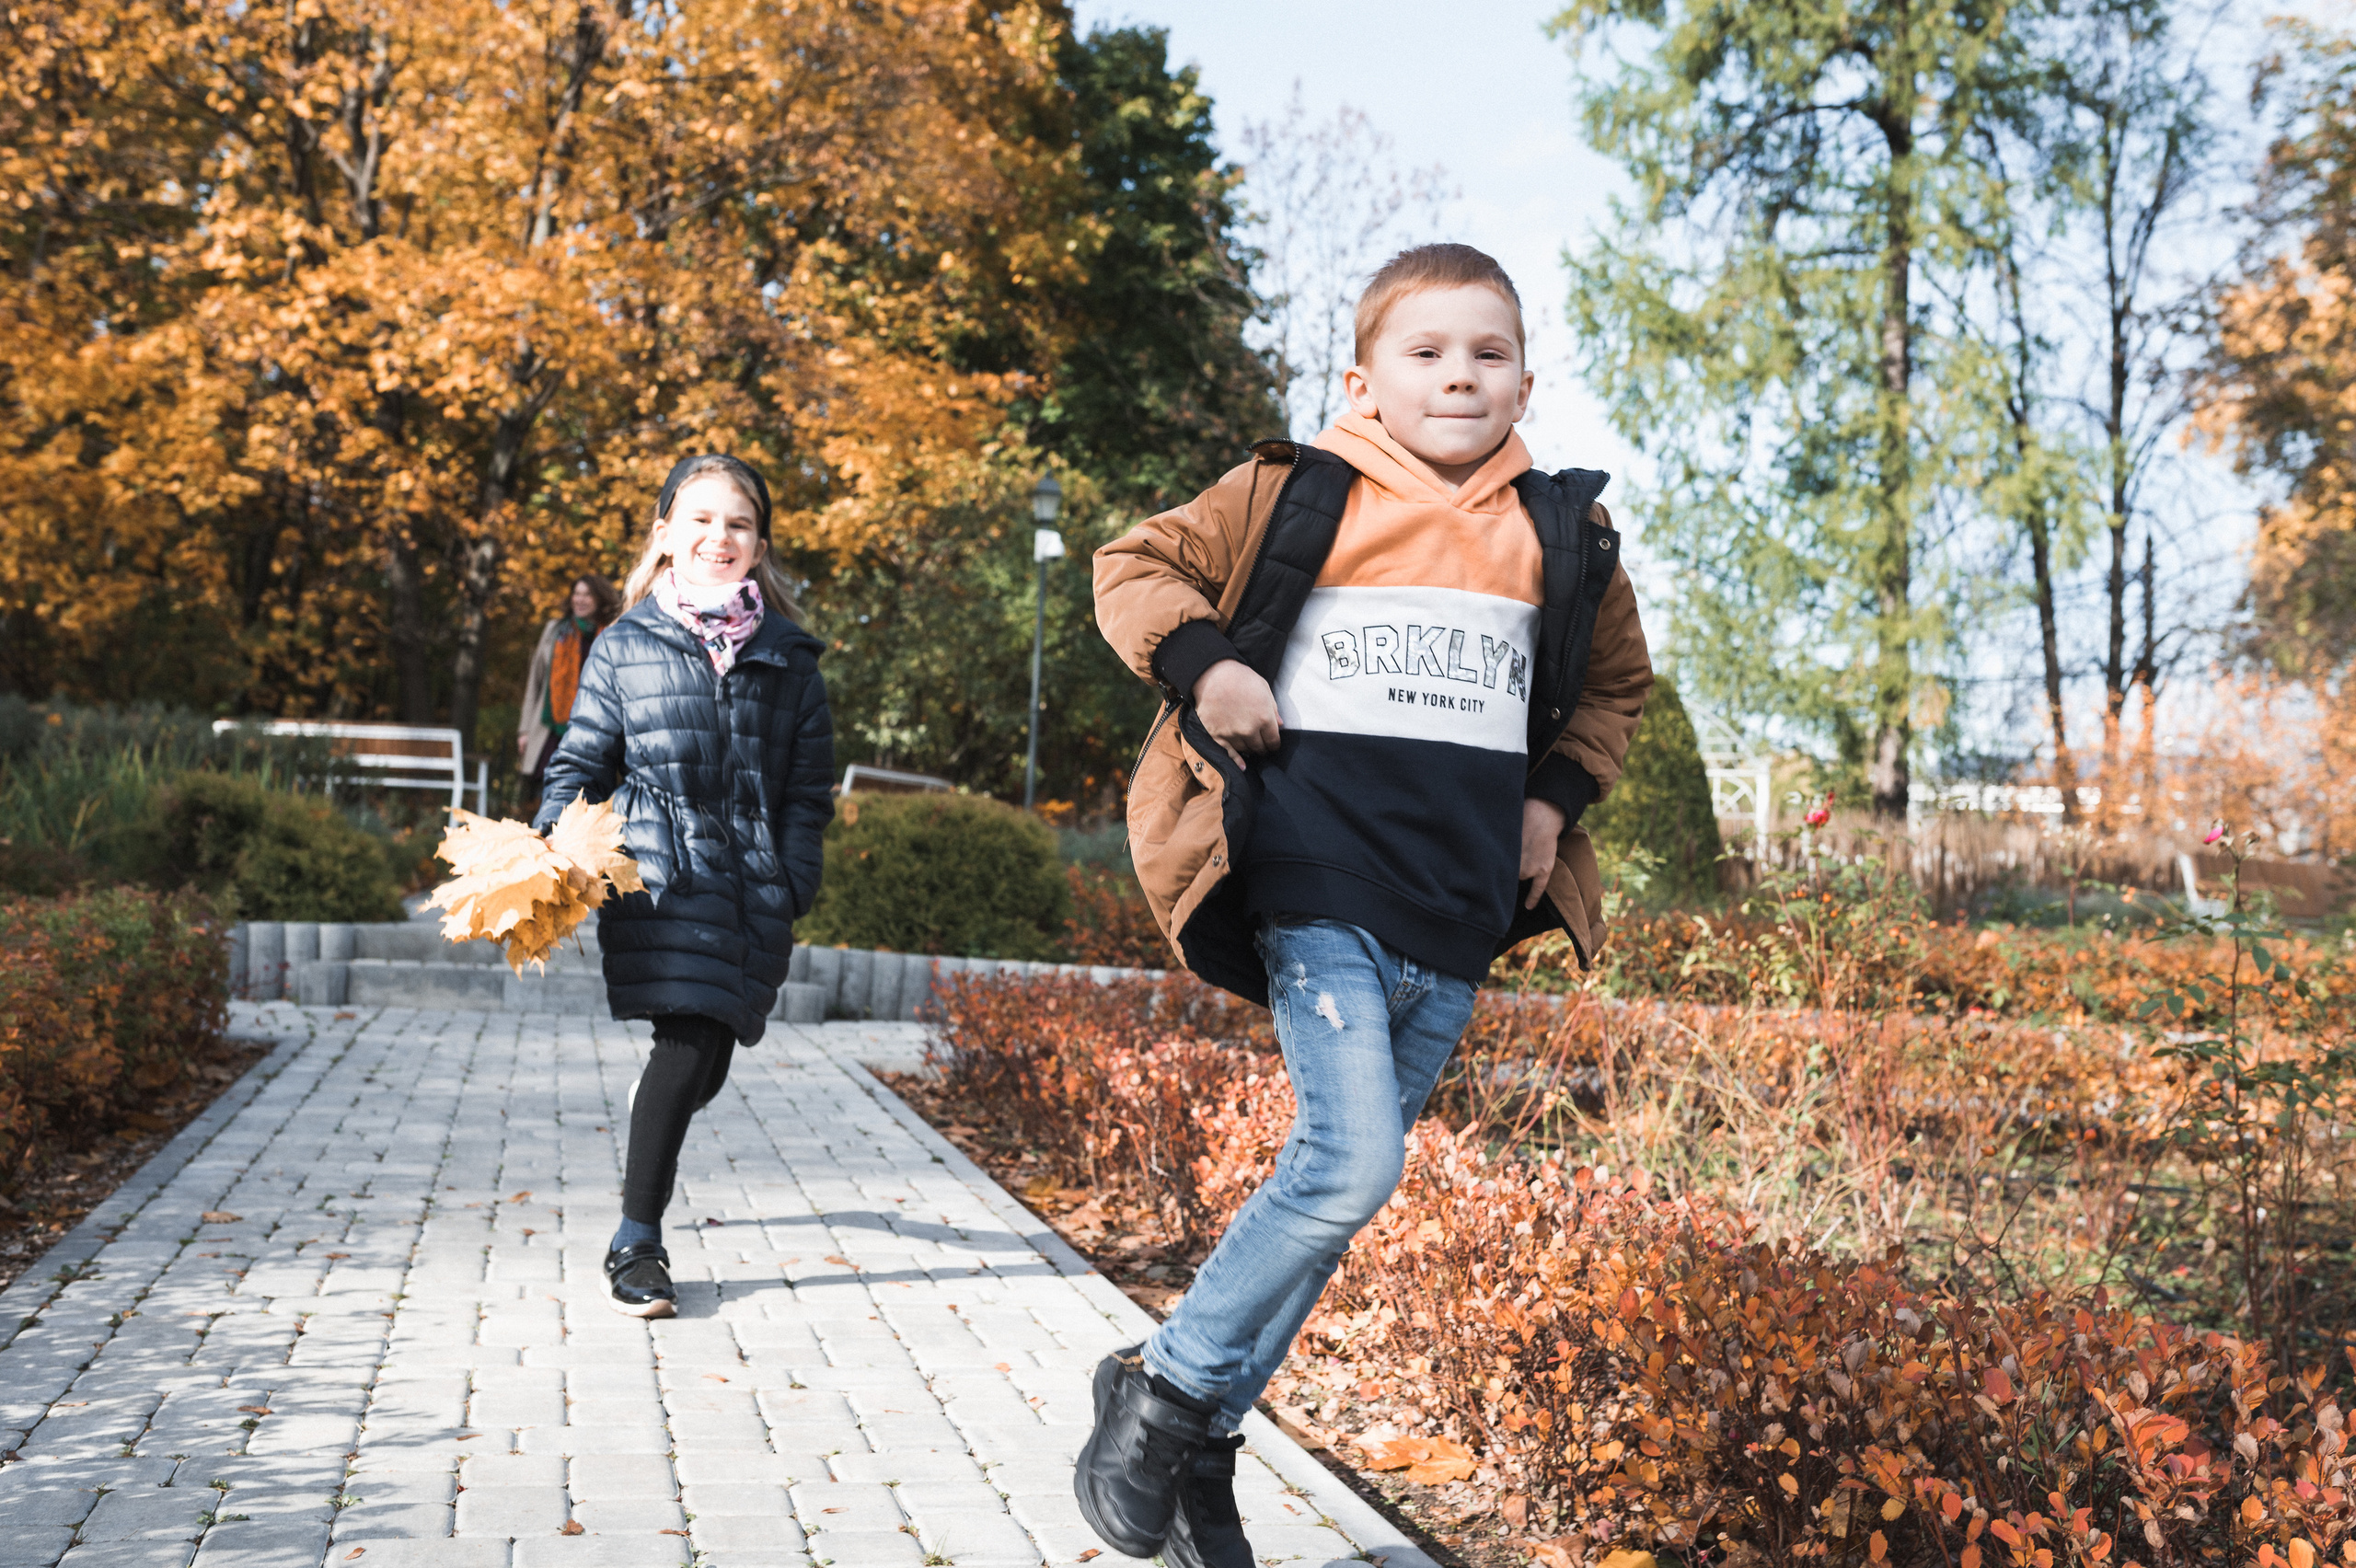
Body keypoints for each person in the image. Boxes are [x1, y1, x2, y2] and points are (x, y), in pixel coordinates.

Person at [1083, 244, 1654, 1567]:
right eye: (1427, 352)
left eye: (1489, 353)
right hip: (1311, 874)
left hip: (1456, 903)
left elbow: (1618, 688)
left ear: (1526, 378)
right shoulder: (1300, 492)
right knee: (1352, 1163)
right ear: (1364, 376)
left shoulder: (1562, 533)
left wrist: (1552, 802)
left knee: (1341, 1196)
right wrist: (1206, 666)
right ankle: (1162, 1390)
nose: (1460, 374)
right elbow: (1134, 564)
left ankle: (1203, 1449)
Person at [534, 454, 835, 1319]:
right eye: (700, 519)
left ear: (758, 545)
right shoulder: (623, 647)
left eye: (737, 523)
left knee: (707, 1058)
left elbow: (808, 791)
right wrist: (556, 848)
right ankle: (636, 1242)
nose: (719, 537)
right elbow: (582, 761)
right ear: (665, 533)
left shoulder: (791, 658)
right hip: (658, 878)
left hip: (754, 887)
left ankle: (651, 1117)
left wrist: (794, 878)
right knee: (690, 1039)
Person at [517, 574, 620, 813]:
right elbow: (536, 679)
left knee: (587, 792)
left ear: (599, 599)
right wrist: (524, 730)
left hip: (594, 727)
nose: (580, 600)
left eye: (587, 594)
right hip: (551, 726)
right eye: (577, 593)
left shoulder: (611, 632)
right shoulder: (555, 630)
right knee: (545, 791)